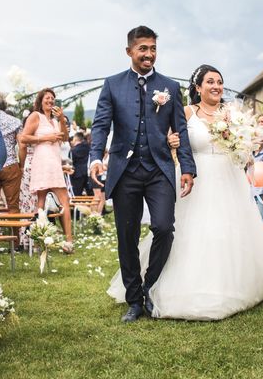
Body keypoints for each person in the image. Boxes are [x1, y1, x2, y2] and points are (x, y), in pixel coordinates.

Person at [107, 64, 263, 319]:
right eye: (210, 82)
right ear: (198, 87)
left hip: (229, 178)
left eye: (220, 82)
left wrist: (244, 145)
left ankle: (233, 284)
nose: (216, 86)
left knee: (229, 232)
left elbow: (245, 148)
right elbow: (168, 138)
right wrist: (171, 142)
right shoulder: (186, 112)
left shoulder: (231, 113)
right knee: (186, 231)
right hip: (196, 177)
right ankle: (157, 286)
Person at [91, 26, 196, 323]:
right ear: (129, 51)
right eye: (143, 49)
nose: (149, 54)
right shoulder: (112, 85)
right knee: (127, 235)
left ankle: (148, 285)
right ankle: (134, 300)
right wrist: (95, 158)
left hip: (159, 169)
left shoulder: (170, 87)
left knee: (164, 227)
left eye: (152, 48)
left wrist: (187, 167)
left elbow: (181, 129)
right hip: (124, 172)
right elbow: (100, 126)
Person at [21, 88, 74, 252]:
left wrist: (62, 121)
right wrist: (46, 138)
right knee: (44, 202)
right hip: (42, 161)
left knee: (60, 202)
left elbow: (64, 139)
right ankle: (46, 241)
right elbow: (23, 137)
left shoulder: (55, 120)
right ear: (40, 101)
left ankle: (60, 242)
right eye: (47, 98)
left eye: (52, 99)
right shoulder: (35, 116)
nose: (50, 101)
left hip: (54, 162)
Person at [0, 92, 23, 213]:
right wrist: (21, 165)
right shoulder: (15, 121)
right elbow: (22, 145)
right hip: (11, 165)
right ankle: (15, 232)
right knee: (13, 207)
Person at [69, 131, 91, 196]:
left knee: (76, 194)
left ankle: (77, 206)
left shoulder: (73, 150)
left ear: (75, 139)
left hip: (77, 175)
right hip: (88, 173)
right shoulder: (89, 147)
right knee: (91, 194)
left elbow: (71, 162)